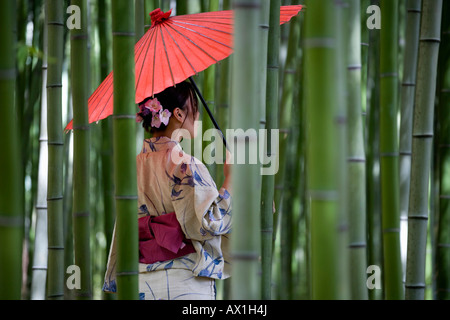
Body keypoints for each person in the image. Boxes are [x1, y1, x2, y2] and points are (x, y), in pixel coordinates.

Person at [103, 81, 232, 300]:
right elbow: (210, 222)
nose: (198, 115)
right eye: (194, 107)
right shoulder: (184, 164)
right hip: (185, 281)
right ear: (179, 114)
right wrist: (232, 178)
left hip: (140, 282)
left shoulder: (131, 167)